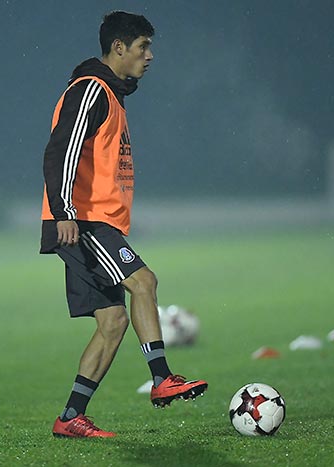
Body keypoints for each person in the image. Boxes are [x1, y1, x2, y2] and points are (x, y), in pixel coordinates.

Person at [40, 11, 208, 438]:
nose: (149, 56)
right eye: (143, 47)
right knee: (145, 282)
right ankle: (161, 378)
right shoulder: (90, 91)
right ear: (119, 47)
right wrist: (64, 212)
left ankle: (70, 417)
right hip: (84, 222)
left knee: (113, 321)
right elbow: (61, 151)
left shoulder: (110, 95)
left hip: (92, 221)